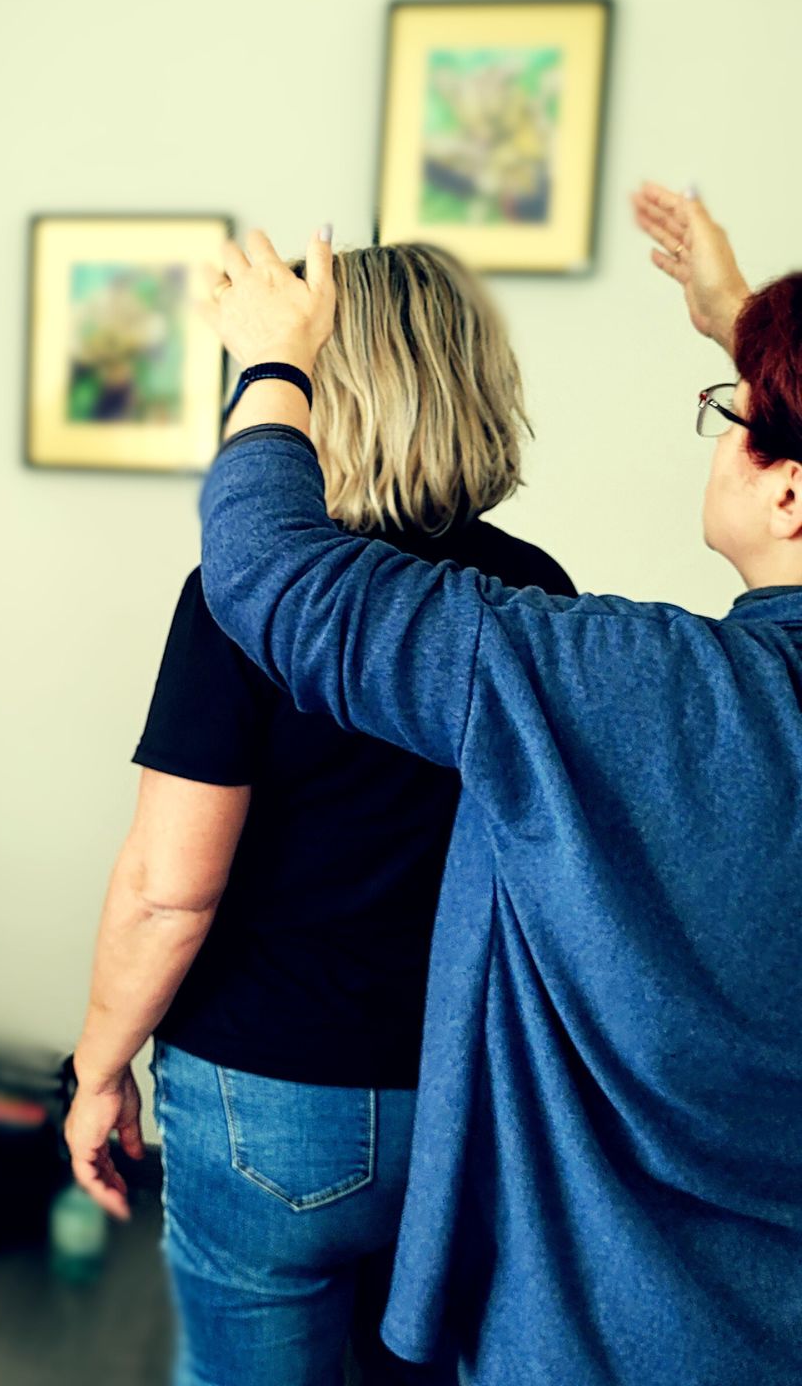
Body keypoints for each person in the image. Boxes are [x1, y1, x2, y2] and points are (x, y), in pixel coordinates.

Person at [186, 216, 802, 1382]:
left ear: (788, 495)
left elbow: (270, 570)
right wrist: (749, 328)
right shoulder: (551, 606)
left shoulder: (636, 690)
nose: (717, 435)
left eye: (733, 414)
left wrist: (272, 361)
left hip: (605, 1342)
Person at [65, 243, 572, 1385]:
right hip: (466, 1091)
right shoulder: (531, 591)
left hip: (269, 1100)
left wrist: (96, 1069)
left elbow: (166, 888)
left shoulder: (241, 599)